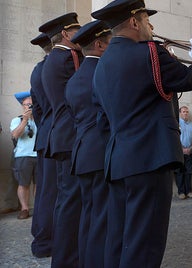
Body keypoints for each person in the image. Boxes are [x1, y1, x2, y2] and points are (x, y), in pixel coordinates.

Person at [91, 0, 192, 266]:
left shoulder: (100, 65)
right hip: (149, 158)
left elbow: (102, 120)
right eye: (147, 20)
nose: (151, 26)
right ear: (135, 22)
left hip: (117, 161)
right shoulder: (149, 52)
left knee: (120, 238)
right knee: (145, 242)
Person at [64, 20, 112, 267]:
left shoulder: (74, 79)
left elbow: (75, 117)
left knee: (89, 215)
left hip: (82, 153)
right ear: (99, 44)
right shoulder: (104, 73)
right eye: (110, 40)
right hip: (102, 152)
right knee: (104, 217)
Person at [38, 12, 83, 266]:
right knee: (70, 203)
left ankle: (66, 256)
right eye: (77, 31)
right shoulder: (67, 58)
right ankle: (66, 259)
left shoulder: (54, 59)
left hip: (64, 135)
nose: (81, 35)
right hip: (70, 136)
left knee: (67, 202)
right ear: (66, 34)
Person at [27, 32, 57, 258]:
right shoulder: (55, 68)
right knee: (53, 192)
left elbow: (37, 109)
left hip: (46, 135)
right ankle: (47, 240)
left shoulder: (38, 70)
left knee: (46, 191)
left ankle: (42, 239)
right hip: (58, 137)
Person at [10, 92, 38, 220]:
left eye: (32, 105)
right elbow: (15, 135)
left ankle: (38, 208)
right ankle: (24, 208)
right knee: (23, 184)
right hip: (23, 156)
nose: (30, 107)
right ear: (23, 106)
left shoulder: (40, 120)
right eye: (27, 105)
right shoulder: (17, 120)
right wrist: (25, 120)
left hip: (39, 155)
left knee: (39, 184)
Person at [175, 106, 192, 199]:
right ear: (180, 113)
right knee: (179, 173)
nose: (185, 113)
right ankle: (181, 192)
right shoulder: (176, 124)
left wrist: (190, 148)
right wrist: (181, 149)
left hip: (190, 152)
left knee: (188, 173)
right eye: (184, 111)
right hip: (179, 153)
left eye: (187, 112)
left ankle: (189, 191)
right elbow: (174, 138)